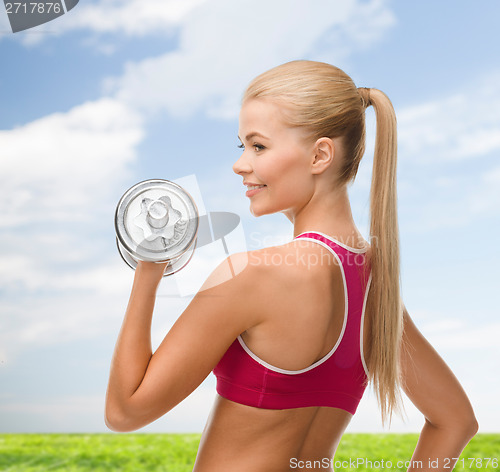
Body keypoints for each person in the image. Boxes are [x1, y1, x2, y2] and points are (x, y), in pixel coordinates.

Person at [105, 60, 478, 471]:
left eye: (258, 146)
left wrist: (149, 268)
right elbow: (455, 421)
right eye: (241, 146)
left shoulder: (253, 276)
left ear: (320, 155)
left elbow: (126, 412)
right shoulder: (375, 286)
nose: (240, 164)